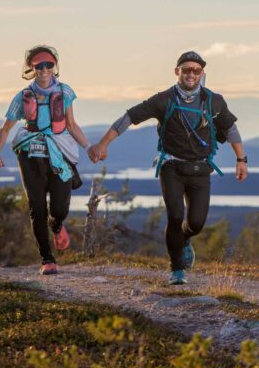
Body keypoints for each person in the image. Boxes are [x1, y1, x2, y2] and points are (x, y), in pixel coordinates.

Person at [88, 50, 248, 285]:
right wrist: (103, 143)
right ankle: (177, 269)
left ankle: (184, 240)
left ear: (202, 73)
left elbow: (231, 129)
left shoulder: (214, 101)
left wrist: (241, 160)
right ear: (177, 72)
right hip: (170, 166)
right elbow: (130, 117)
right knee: (175, 215)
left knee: (196, 223)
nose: (191, 74)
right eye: (186, 70)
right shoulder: (163, 100)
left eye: (196, 70)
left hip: (200, 168)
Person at [0, 45, 90, 275]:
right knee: (37, 208)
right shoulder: (23, 97)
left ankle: (57, 226)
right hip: (30, 154)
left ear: (55, 66)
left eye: (49, 65)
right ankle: (47, 259)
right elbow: (6, 128)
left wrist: (88, 147)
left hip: (59, 152)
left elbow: (72, 125)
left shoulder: (65, 93)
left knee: (59, 207)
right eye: (39, 66)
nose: (45, 70)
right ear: (31, 68)